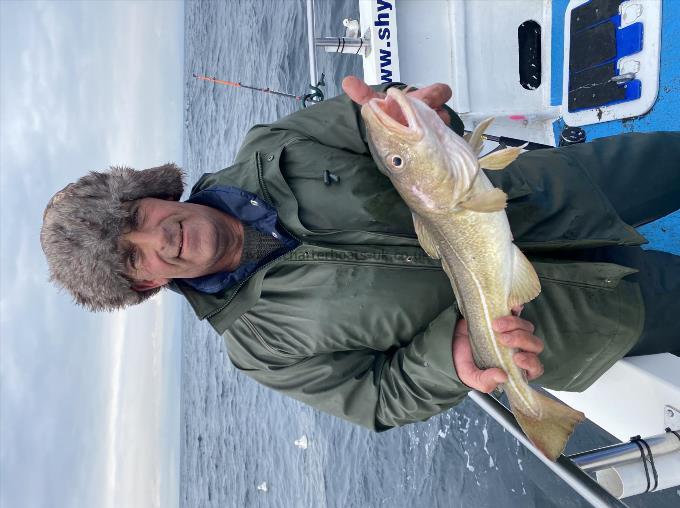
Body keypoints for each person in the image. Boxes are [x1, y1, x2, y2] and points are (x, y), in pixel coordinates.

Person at [41, 76, 680, 431]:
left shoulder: (275, 143)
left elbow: (389, 124)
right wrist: (447, 362)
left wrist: (405, 108)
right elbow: (378, 398)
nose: (159, 239)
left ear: (154, 191)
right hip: (560, 324)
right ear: (148, 285)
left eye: (137, 218)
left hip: (563, 193)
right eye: (134, 258)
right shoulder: (260, 350)